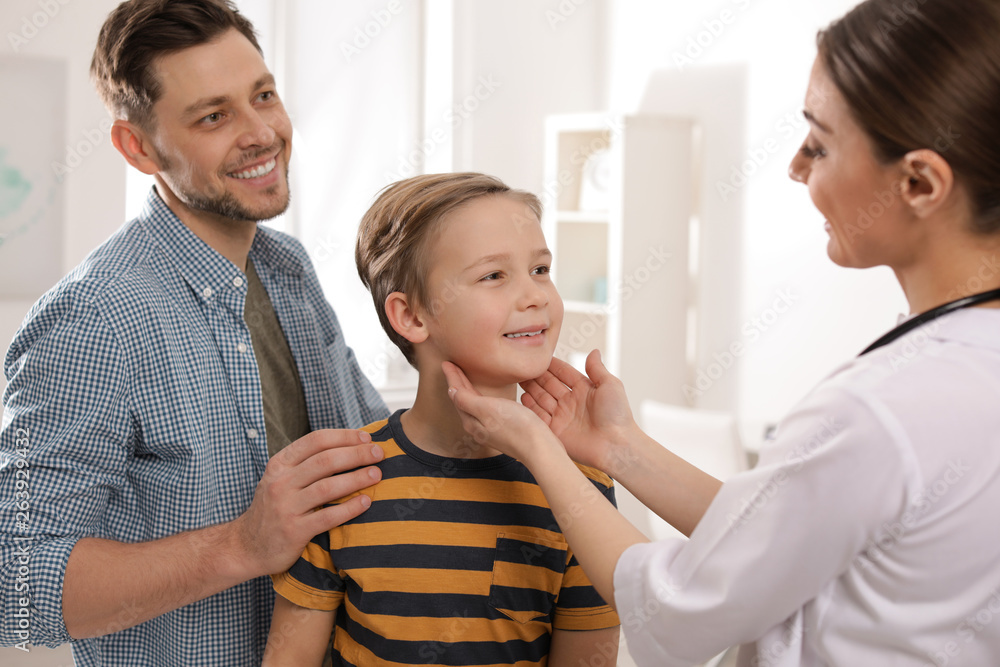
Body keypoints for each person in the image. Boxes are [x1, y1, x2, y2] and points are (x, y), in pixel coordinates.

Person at [442, 0, 1000, 664]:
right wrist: (617, 446)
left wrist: (544, 453)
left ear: (918, 181)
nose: (795, 166)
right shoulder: (954, 368)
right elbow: (778, 537)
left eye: (818, 144)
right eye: (492, 276)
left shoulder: (883, 407)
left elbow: (678, 609)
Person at [0, 1, 388, 665]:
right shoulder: (93, 318)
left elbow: (370, 446)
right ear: (137, 146)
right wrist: (242, 543)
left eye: (263, 95)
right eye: (214, 116)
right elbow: (17, 588)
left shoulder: (288, 269)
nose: (262, 132)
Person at [263, 173, 621, 666]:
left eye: (540, 269)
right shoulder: (339, 483)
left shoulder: (583, 490)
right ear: (411, 317)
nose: (535, 295)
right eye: (494, 275)